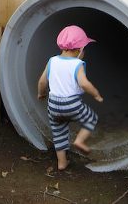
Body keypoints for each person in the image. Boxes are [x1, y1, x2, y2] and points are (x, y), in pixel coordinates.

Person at [37, 25, 103, 171]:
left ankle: (61, 163)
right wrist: (96, 95)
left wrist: (41, 94)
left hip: (53, 105)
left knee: (58, 132)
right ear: (79, 49)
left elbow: (42, 81)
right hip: (71, 104)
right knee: (90, 118)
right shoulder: (77, 64)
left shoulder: (52, 61)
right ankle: (79, 141)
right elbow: (84, 84)